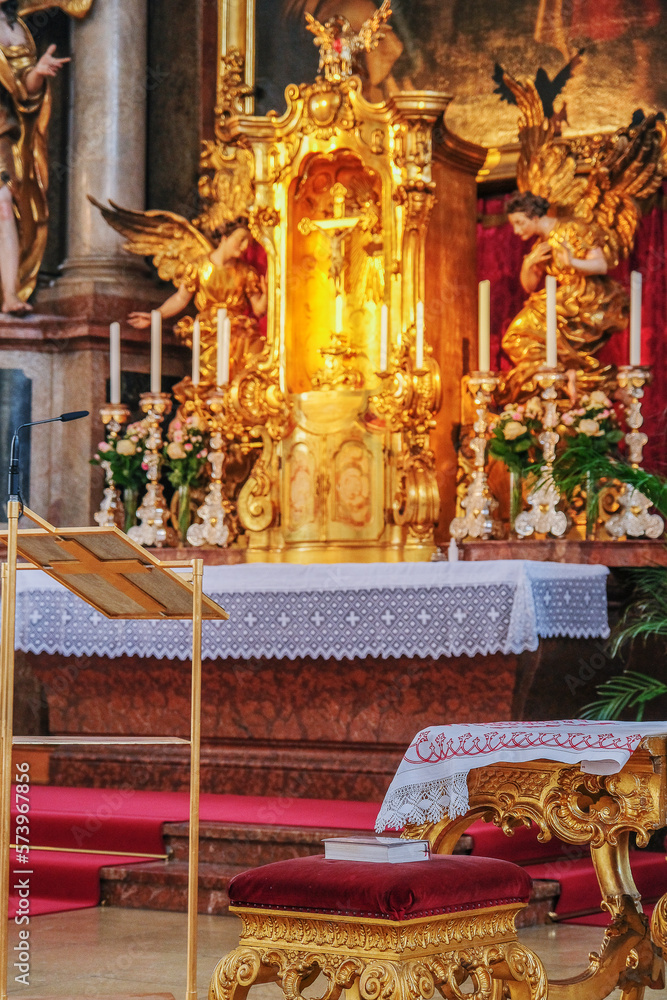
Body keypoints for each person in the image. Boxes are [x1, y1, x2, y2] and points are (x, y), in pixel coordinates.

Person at [501, 190, 627, 401]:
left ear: (534, 216)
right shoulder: (540, 244)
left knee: (525, 335)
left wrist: (572, 263)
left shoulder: (573, 229)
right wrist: (528, 264)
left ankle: (571, 377)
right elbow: (529, 286)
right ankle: (563, 377)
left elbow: (601, 265)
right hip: (560, 298)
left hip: (587, 298)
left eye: (520, 222)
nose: (516, 230)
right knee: (516, 338)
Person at [128, 218, 268, 382]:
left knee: (250, 368)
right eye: (240, 240)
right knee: (212, 379)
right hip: (210, 334)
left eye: (247, 242)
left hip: (239, 334)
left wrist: (268, 293)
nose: (244, 247)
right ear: (225, 238)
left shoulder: (246, 273)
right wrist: (155, 315)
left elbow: (258, 309)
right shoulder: (198, 267)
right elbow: (181, 298)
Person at [0, 0, 69, 313]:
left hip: (4, 129)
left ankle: (11, 294)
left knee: (5, 204)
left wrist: (38, 72)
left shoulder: (17, 26)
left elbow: (25, 93)